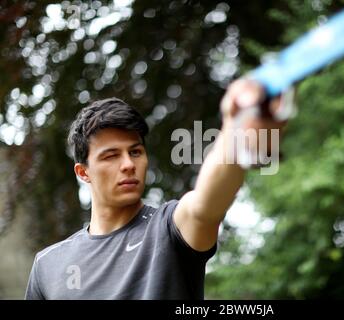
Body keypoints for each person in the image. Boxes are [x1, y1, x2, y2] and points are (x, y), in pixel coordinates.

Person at [24, 79, 290, 299]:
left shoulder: (169, 228)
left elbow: (205, 204)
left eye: (135, 152)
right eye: (111, 156)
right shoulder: (48, 266)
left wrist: (236, 131)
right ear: (84, 172)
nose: (128, 164)